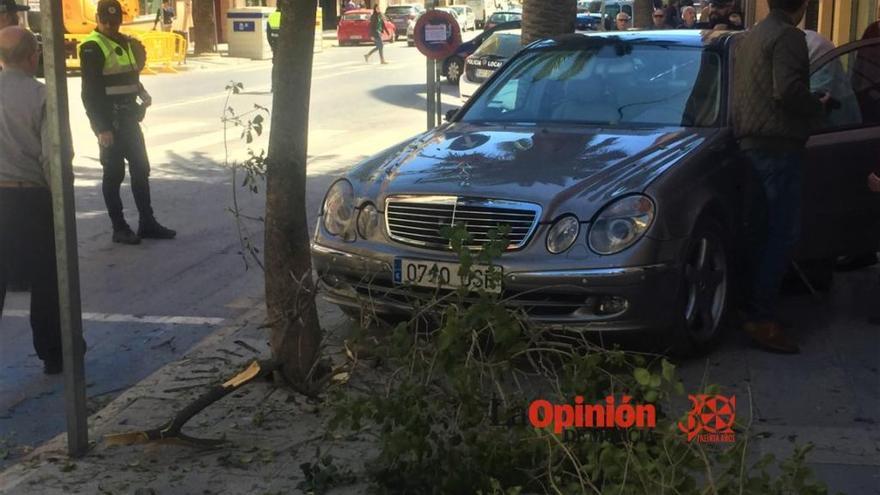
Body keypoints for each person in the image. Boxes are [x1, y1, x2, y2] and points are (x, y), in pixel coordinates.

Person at [732, 0, 830, 354]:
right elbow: (787, 90)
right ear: (801, 6)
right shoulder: (789, 36)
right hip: (778, 146)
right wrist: (818, 104)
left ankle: (753, 309)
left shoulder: (752, 36)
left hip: (751, 144)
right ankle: (762, 317)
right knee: (781, 233)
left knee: (760, 232)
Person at [0, 26, 70, 375]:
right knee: (46, 277)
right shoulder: (43, 96)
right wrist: (59, 199)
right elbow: (52, 157)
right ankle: (53, 352)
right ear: (33, 57)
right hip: (29, 198)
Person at [80, 0, 175, 245]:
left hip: (130, 119)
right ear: (98, 19)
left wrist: (142, 93)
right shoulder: (92, 47)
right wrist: (101, 128)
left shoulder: (126, 42)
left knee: (141, 168)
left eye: (115, 21)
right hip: (110, 122)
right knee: (114, 174)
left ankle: (147, 222)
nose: (111, 25)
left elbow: (130, 75)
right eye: (106, 21)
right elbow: (89, 94)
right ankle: (119, 227)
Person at [267, 6, 280, 90]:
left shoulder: (271, 16)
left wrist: (271, 45)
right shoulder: (287, 16)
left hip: (275, 44)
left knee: (275, 66)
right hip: (285, 45)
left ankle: (273, 86)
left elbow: (268, 34)